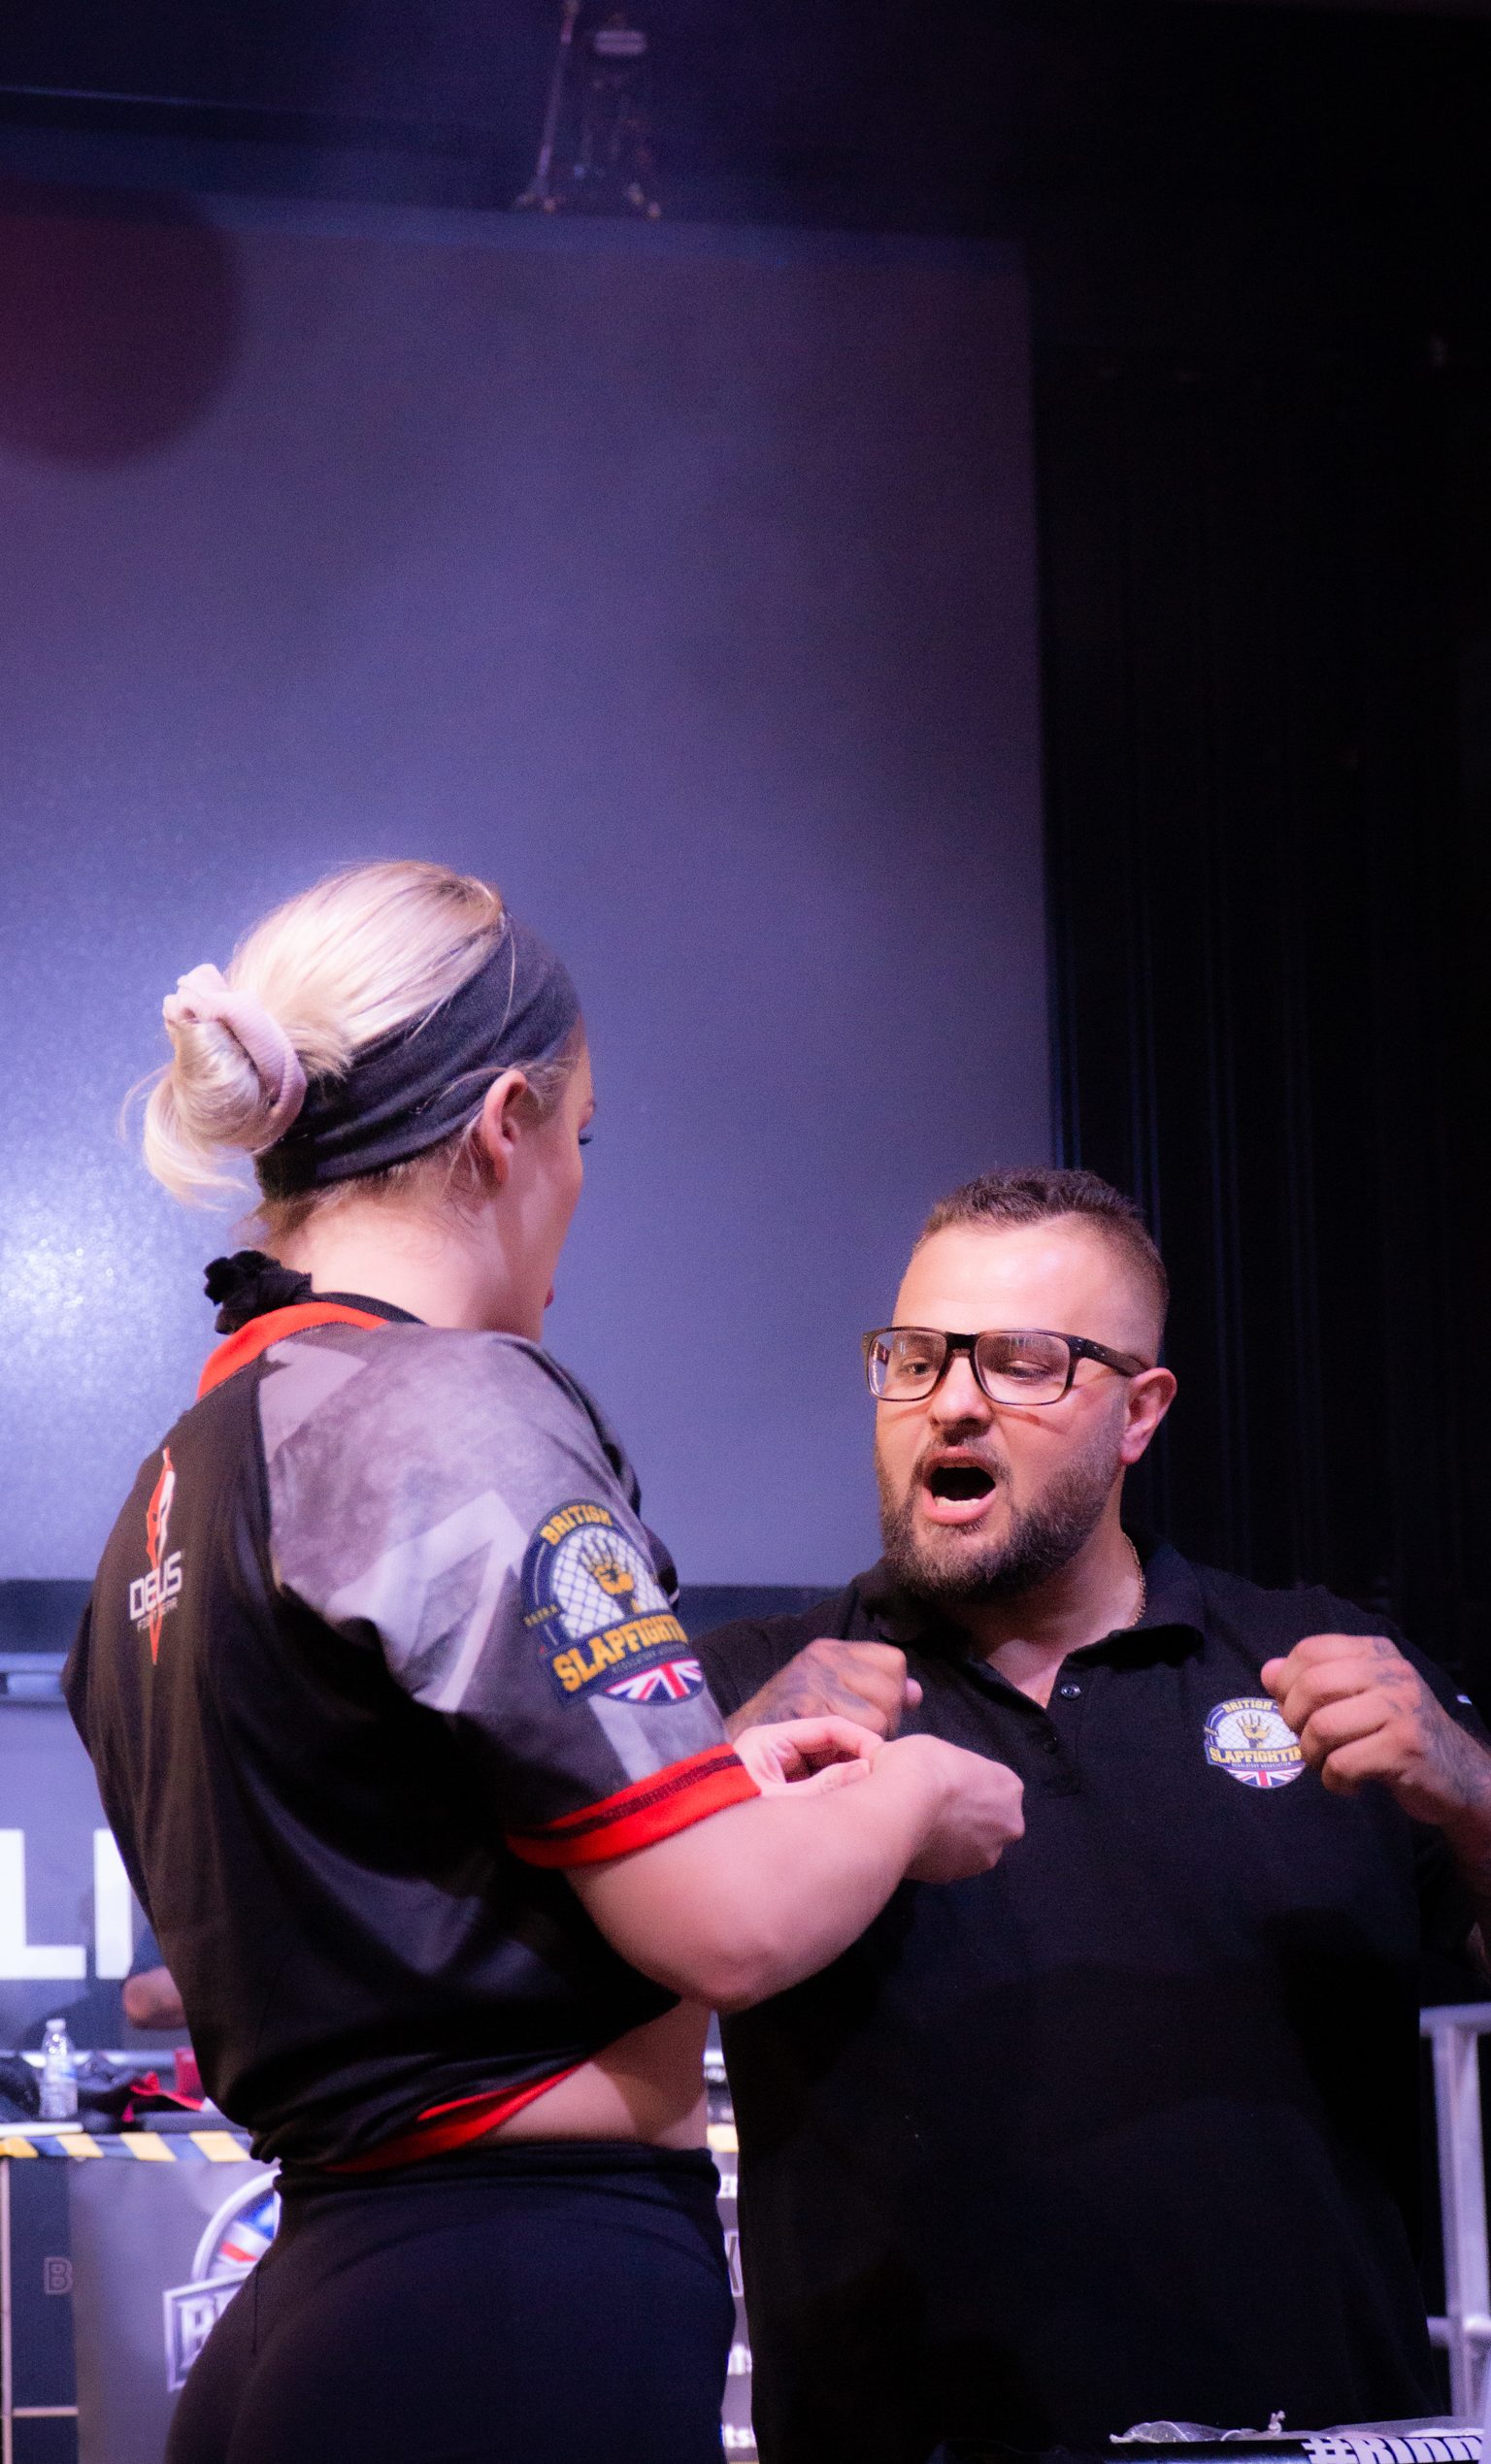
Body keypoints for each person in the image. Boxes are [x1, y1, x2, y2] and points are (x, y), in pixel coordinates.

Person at [64, 862, 1024, 2464]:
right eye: (585, 1137)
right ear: (506, 1122)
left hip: (323, 2321)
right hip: (501, 2309)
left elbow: (401, 1865)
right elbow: (725, 1921)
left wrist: (720, 1778)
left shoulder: (186, 1473)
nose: (582, 1183)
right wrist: (917, 1791)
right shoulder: (444, 1411)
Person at [698, 1166, 1491, 2464]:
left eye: (1019, 1362)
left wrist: (1472, 1794)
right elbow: (574, 1995)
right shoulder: (764, 1689)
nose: (951, 1402)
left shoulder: (1320, 1661)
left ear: (1140, 1410)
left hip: (1306, 2441)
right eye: (915, 1358)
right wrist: (727, 1768)